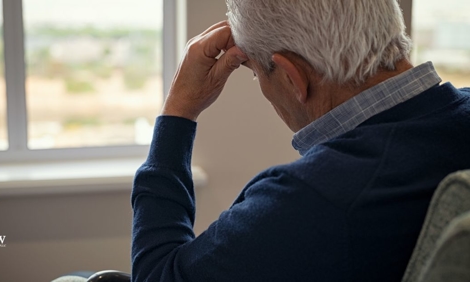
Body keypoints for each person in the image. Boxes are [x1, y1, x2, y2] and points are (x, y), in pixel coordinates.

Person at [131, 1, 470, 281]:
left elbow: (157, 274)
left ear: (293, 78)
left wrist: (178, 110)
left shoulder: (318, 196)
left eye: (256, 73)